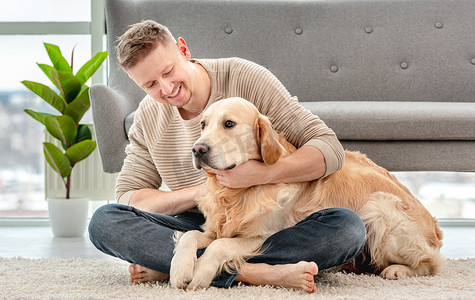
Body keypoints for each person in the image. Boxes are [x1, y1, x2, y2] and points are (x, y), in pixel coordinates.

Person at [88, 20, 366, 293]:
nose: (166, 88)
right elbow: (129, 198)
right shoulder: (149, 116)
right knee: (105, 222)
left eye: (169, 72)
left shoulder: (245, 79)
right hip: (201, 223)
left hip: (266, 225)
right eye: (150, 85)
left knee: (349, 228)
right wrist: (205, 190)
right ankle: (254, 273)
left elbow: (329, 148)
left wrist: (263, 174)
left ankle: (180, 264)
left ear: (183, 50)